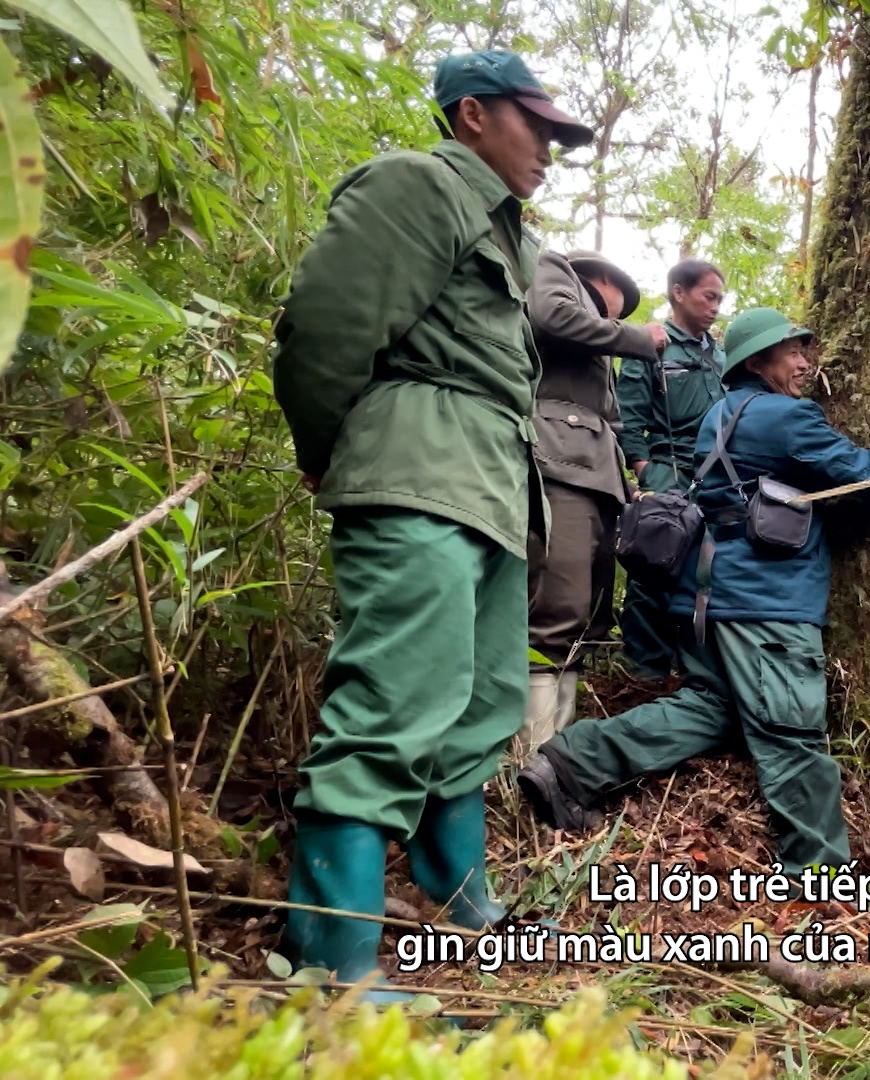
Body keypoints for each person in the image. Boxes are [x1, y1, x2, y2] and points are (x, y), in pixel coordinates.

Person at [269, 50, 593, 999]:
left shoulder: (512, 235)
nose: (549, 149)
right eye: (536, 127)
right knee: (395, 701)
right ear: (472, 114)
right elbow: (328, 328)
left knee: (483, 699)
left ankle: (463, 905)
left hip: (492, 488)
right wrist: (330, 450)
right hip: (416, 468)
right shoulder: (419, 186)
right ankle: (334, 962)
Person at [517, 307, 870, 872]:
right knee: (791, 733)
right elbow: (863, 472)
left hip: (708, 598)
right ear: (757, 360)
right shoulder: (786, 418)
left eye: (805, 350)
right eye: (792, 352)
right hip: (766, 606)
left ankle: (571, 765)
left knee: (712, 709)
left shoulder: (719, 414)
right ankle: (820, 874)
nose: (805, 363)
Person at [520, 249, 657, 757]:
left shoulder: (596, 350)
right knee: (557, 606)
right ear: (603, 278)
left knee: (585, 615)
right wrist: (641, 340)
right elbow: (551, 315)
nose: (624, 315)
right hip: (558, 463)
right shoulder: (556, 273)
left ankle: (557, 757)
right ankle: (530, 758)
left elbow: (612, 423)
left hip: (596, 477)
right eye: (624, 302)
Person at [614, 260, 729, 680]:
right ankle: (645, 671)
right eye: (708, 296)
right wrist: (646, 470)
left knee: (706, 569)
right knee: (652, 566)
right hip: (668, 472)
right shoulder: (652, 344)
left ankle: (692, 667)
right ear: (679, 292)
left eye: (720, 298)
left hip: (718, 477)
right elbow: (627, 416)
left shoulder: (720, 354)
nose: (716, 306)